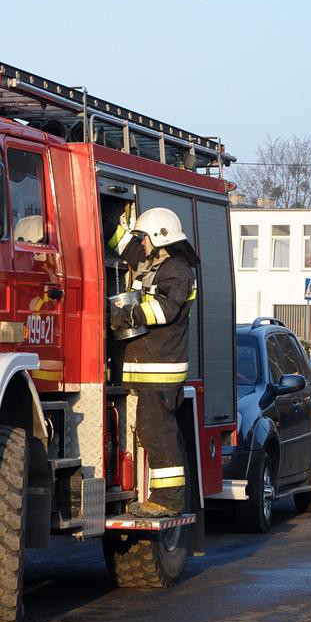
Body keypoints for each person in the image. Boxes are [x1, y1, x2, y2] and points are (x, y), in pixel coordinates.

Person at [108, 207, 199, 518]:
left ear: (159, 239)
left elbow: (165, 310)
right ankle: (165, 498)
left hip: (159, 372)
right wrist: (107, 219)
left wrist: (126, 314)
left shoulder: (177, 271)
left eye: (144, 238)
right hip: (145, 369)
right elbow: (125, 246)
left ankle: (168, 500)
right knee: (151, 431)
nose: (141, 244)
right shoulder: (154, 263)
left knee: (158, 434)